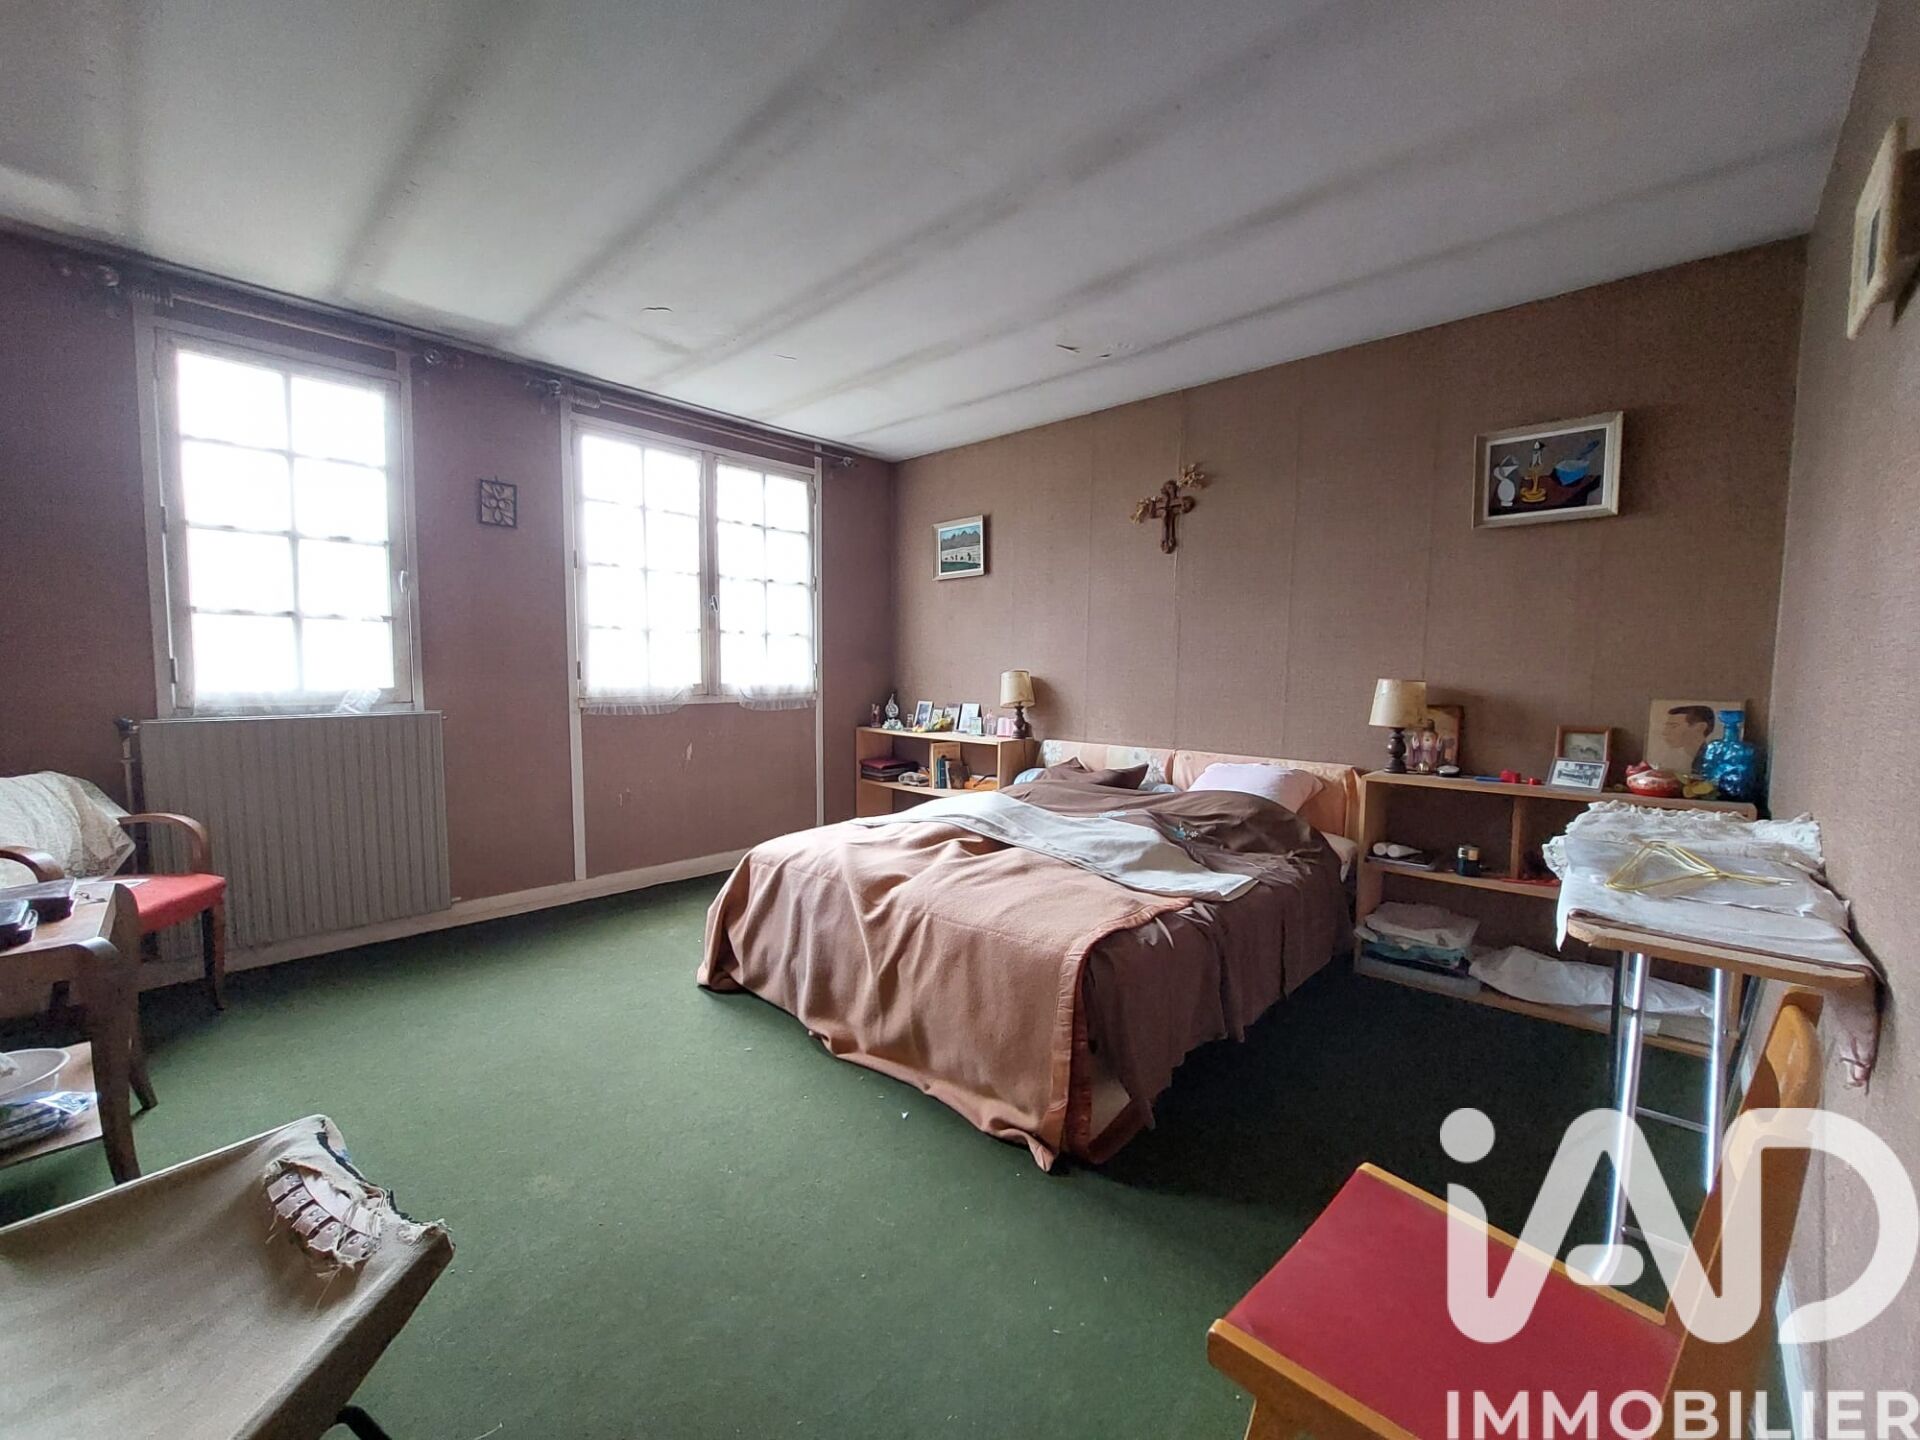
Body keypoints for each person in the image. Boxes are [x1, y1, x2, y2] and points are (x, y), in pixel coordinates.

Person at [1658, 704, 1717, 773]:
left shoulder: (1710, 763)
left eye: (1673, 726)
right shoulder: (1679, 758)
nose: (1665, 732)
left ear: (1700, 727)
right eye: (1667, 726)